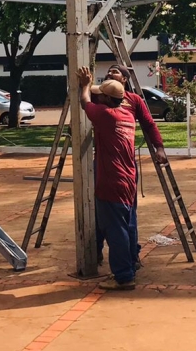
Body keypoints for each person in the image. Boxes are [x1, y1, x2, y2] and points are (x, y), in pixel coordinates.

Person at [99, 64, 167, 269]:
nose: (110, 73)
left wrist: (159, 147)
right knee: (101, 215)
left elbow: (149, 124)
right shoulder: (99, 96)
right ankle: (97, 254)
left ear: (125, 79)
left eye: (115, 71)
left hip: (125, 165)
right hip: (104, 162)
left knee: (126, 214)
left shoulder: (133, 100)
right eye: (109, 71)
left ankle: (130, 257)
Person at [78, 66, 138, 291]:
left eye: (100, 94)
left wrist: (84, 85)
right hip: (128, 180)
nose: (97, 96)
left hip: (111, 182)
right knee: (124, 226)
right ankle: (129, 266)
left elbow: (85, 102)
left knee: (116, 231)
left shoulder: (105, 115)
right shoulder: (127, 115)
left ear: (106, 99)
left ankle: (124, 276)